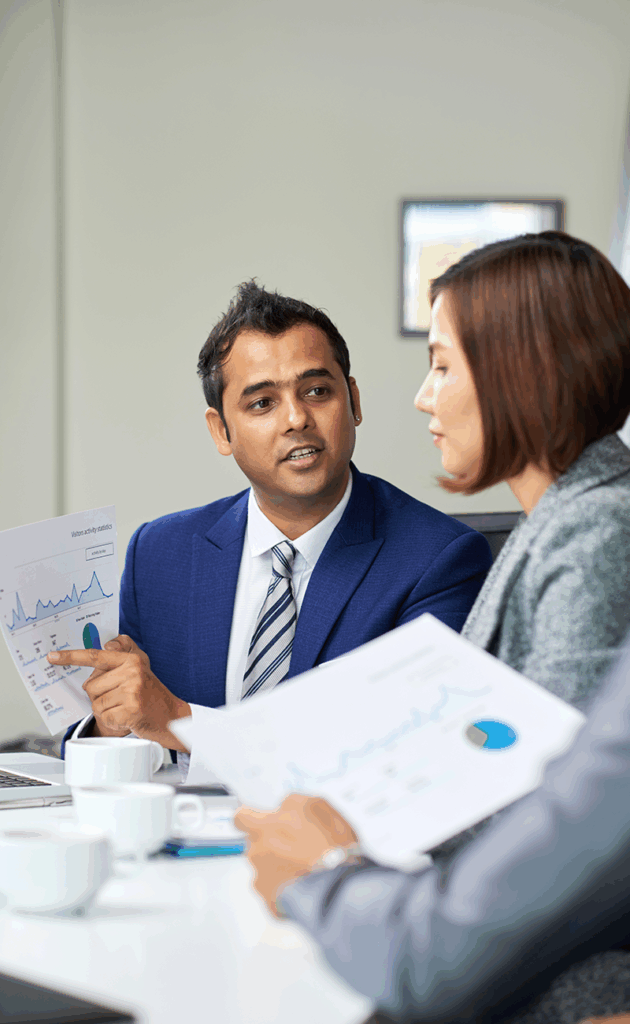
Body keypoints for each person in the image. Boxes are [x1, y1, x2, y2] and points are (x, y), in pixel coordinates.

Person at [234, 232, 630, 1020]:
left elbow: (549, 840)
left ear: (526, 374)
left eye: (443, 364)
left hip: (548, 985)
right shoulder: (566, 519)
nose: (423, 396)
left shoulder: (598, 535)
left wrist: (336, 867)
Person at [50, 282, 491, 772]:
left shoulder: (440, 559)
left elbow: (409, 749)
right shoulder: (160, 554)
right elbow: (137, 744)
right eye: (262, 403)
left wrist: (177, 719)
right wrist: (113, 724)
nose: (297, 418)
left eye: (318, 391)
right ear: (221, 430)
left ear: (354, 402)